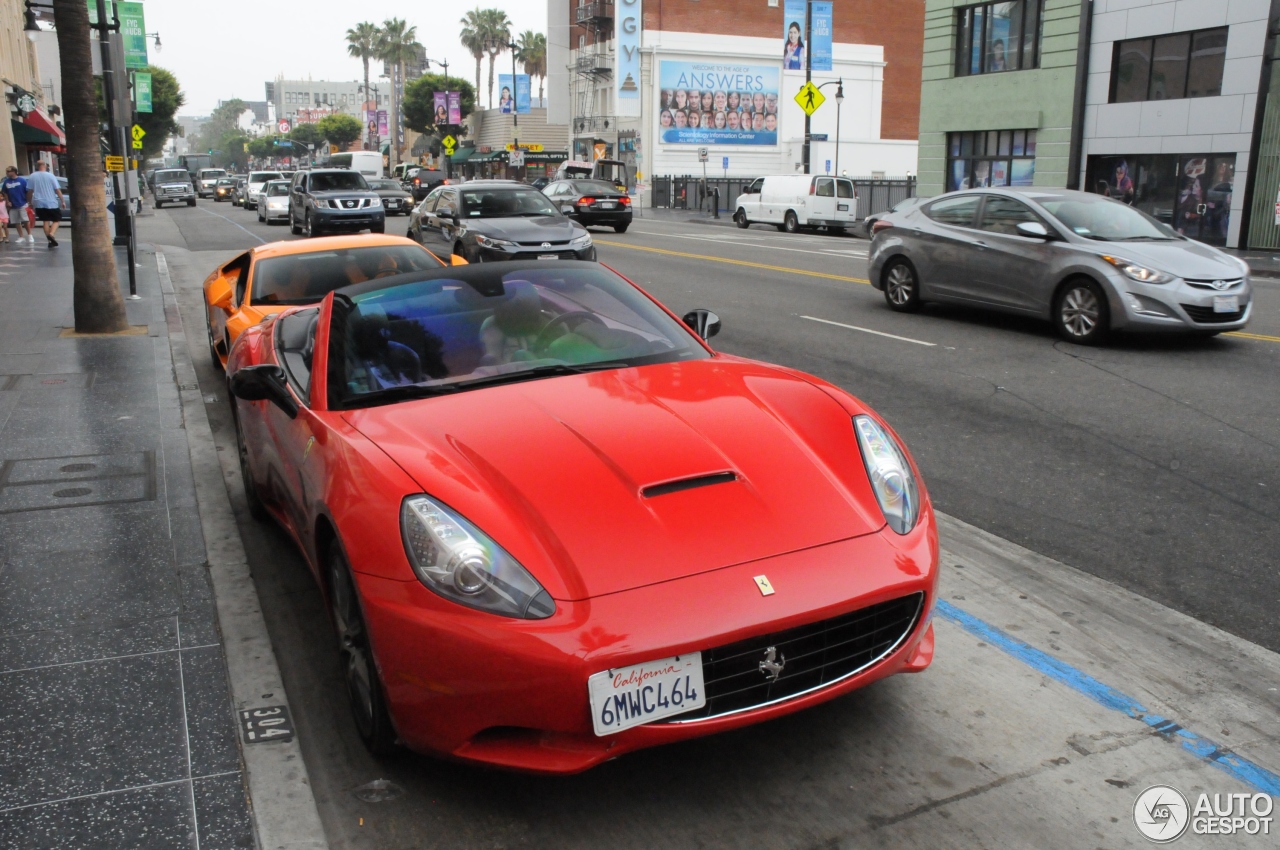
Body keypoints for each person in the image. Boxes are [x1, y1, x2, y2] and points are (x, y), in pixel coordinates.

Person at [27, 161, 63, 248]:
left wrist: (29, 202)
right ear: (45, 166)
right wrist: (62, 200)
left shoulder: (32, 176)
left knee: (45, 221)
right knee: (56, 220)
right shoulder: (50, 176)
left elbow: (29, 191)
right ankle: (51, 234)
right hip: (51, 201)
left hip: (38, 202)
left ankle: (49, 241)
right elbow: (57, 189)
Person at [2, 166, 33, 244]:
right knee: (16, 221)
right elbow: (5, 192)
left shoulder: (22, 180)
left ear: (14, 172)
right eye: (7, 172)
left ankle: (29, 235)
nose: (8, 173)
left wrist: (28, 202)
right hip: (13, 204)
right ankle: (21, 236)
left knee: (25, 220)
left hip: (22, 203)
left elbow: (27, 191)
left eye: (9, 172)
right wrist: (7, 201)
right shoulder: (6, 182)